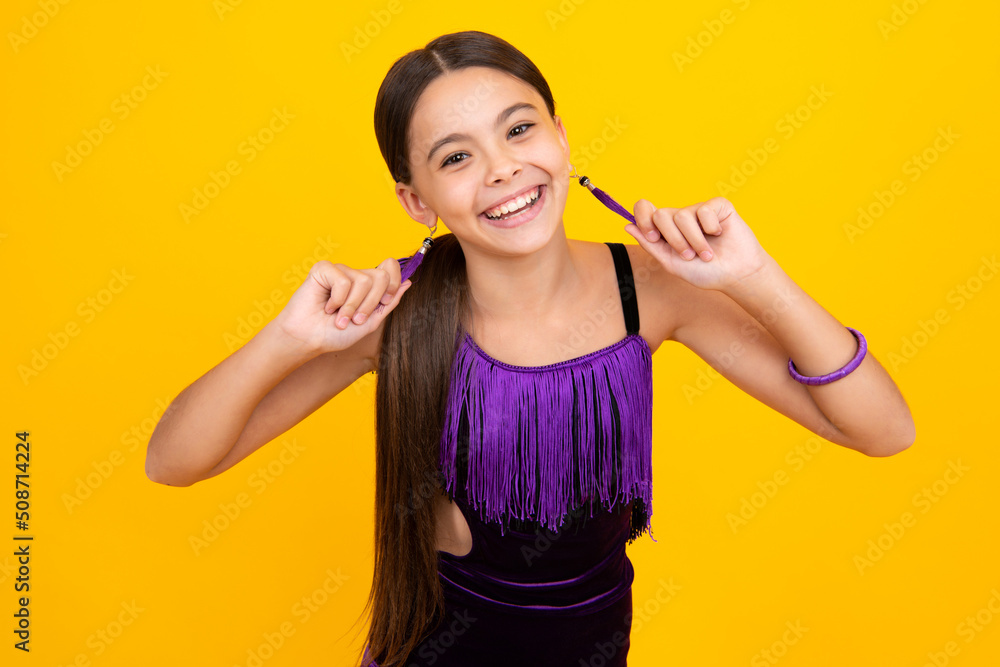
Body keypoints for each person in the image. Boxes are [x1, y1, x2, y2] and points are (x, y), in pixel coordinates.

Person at [145, 30, 915, 667]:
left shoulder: (653, 289)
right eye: (455, 157)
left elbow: (883, 429)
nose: (503, 167)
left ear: (562, 137)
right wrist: (286, 339)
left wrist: (754, 275)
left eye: (519, 129)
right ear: (417, 200)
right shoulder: (400, 317)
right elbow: (174, 460)